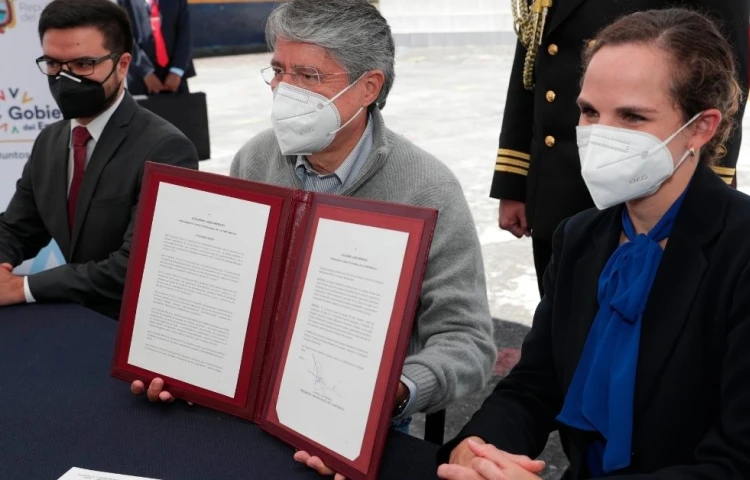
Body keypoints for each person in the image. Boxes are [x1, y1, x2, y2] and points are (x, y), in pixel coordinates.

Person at [132, 2, 496, 477]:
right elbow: (228, 285)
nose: (286, 91)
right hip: (241, 407)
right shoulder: (256, 159)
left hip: (355, 428)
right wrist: (183, 359)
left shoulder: (426, 187)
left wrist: (396, 390)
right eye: (279, 71)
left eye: (308, 76)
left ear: (368, 87)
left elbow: (466, 339)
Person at [437, 8, 750, 480]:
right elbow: (534, 385)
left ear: (701, 127)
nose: (600, 135)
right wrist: (477, 449)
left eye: (632, 116)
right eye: (589, 111)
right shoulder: (580, 235)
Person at [494, 0, 750, 296]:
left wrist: (710, 187)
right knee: (565, 315)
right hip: (559, 180)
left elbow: (725, 80)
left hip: (658, 177)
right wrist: (514, 178)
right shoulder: (570, 235)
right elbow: (535, 54)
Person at [0, 0, 199, 319]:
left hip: (131, 333)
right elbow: (19, 227)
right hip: (71, 322)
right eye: (53, 64)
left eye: (83, 65)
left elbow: (134, 266)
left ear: (122, 65)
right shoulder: (50, 140)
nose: (65, 79)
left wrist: (23, 288)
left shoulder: (166, 148)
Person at [119, 0, 194, 95]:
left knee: (179, 109)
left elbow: (185, 36)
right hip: (140, 77)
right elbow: (124, 37)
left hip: (175, 78)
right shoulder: (125, 2)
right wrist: (146, 72)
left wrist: (176, 71)